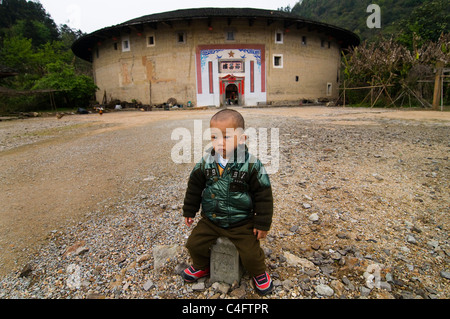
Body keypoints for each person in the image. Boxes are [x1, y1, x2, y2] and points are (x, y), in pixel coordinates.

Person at [181, 109, 274, 295]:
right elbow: (194, 187)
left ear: (241, 139)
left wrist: (262, 223)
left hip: (240, 222)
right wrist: (189, 210)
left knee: (250, 254)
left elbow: (263, 194)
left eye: (226, 137)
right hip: (211, 219)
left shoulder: (252, 165)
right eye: (215, 137)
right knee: (193, 244)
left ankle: (259, 272)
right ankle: (202, 265)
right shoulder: (206, 162)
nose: (219, 143)